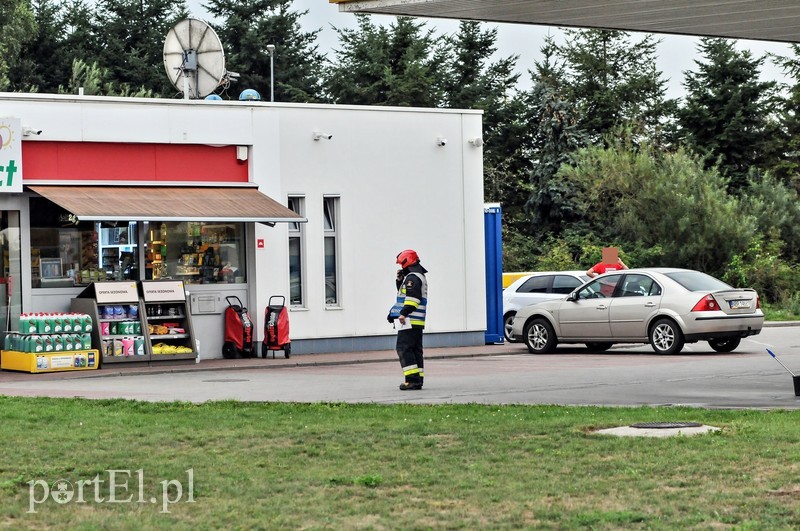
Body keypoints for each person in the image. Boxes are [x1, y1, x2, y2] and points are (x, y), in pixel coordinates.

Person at [387, 249, 428, 391]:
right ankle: (418, 379)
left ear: (407, 262)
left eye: (401, 265)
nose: (401, 267)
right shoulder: (417, 276)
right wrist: (400, 281)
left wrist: (403, 314)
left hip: (409, 320)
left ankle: (411, 380)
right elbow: (405, 295)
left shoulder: (412, 278)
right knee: (415, 350)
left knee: (403, 348)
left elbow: (412, 299)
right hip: (416, 321)